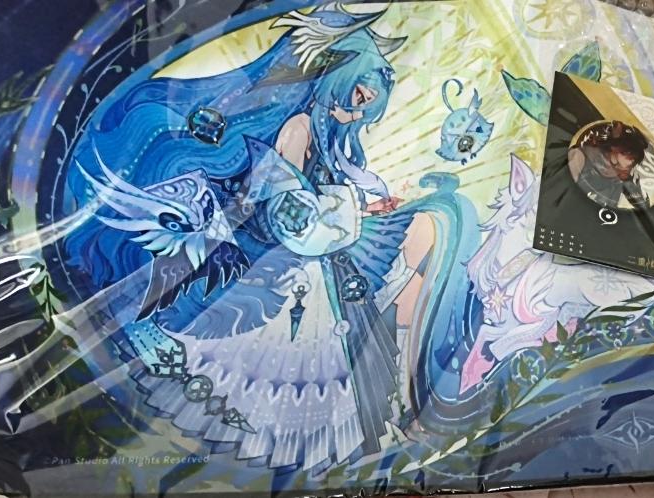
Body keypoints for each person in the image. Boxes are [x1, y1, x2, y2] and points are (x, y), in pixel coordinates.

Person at [60, 4, 477, 470]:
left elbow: (308, 202)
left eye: (365, 107)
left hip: (298, 255)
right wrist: (352, 209)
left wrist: (360, 206)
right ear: (335, 77)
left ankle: (405, 402)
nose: (355, 112)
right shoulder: (299, 127)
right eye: (356, 95)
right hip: (277, 256)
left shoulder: (323, 136)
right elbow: (293, 219)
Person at [568, 120, 654, 211]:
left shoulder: (621, 180)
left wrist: (630, 183)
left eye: (620, 168)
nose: (609, 167)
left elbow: (643, 208)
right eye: (614, 161)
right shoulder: (581, 156)